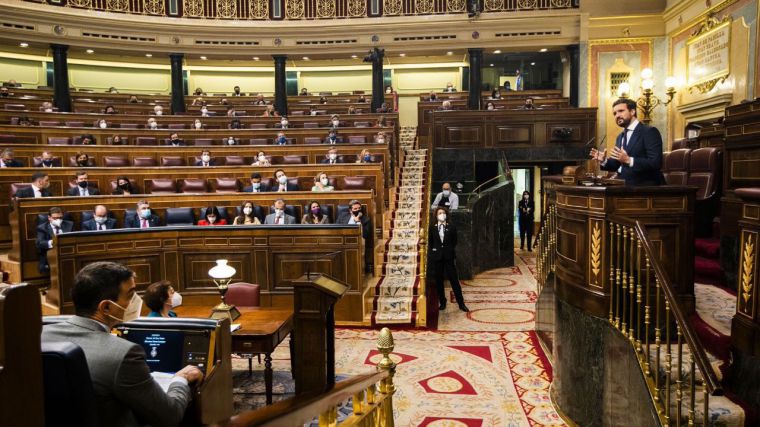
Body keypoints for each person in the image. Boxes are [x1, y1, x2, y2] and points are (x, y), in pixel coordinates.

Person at [41, 262, 202, 426]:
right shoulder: (123, 353)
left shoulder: (40, 336)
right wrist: (180, 379)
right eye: (130, 294)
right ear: (106, 307)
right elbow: (170, 415)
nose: (136, 300)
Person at [590, 98, 666, 186]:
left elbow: (655, 163)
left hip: (645, 187)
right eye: (615, 113)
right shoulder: (620, 136)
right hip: (622, 185)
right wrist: (604, 161)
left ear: (632, 112)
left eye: (621, 111)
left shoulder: (649, 131)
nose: (617, 115)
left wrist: (629, 160)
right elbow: (616, 164)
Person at [429, 207, 468, 312]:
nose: (441, 214)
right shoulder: (432, 227)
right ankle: (442, 302)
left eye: (443, 212)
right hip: (438, 257)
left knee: (454, 280)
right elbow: (431, 242)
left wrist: (448, 249)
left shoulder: (452, 227)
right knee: (439, 281)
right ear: (436, 215)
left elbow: (454, 241)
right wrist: (434, 251)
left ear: (446, 214)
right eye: (439, 213)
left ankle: (461, 303)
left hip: (449, 256)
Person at [36, 207, 73, 272]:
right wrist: (54, 242)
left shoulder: (70, 224)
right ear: (49, 218)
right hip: (50, 254)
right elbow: (40, 243)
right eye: (55, 218)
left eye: (60, 218)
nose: (58, 220)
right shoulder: (42, 228)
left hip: (68, 252)